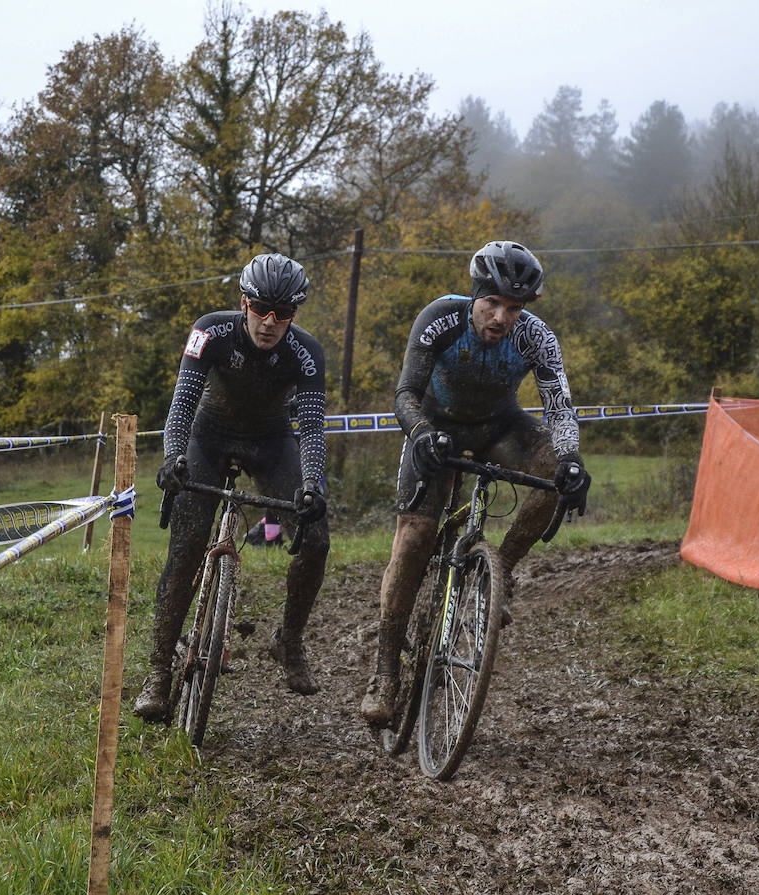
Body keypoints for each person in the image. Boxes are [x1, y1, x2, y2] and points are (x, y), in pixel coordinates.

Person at [359, 240, 590, 727]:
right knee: (415, 540)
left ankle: (499, 572)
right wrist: (420, 432)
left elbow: (560, 409)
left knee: (554, 465)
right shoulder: (440, 319)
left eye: (514, 308)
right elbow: (405, 393)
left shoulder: (535, 337)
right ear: (475, 295)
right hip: (436, 428)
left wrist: (571, 460)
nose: (502, 317)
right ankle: (384, 675)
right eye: (493, 303)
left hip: (499, 428)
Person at [135, 252, 330, 723]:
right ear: (244, 303)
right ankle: (159, 672)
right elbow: (181, 403)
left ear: (293, 315)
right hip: (209, 435)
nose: (269, 322)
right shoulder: (211, 331)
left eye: (282, 314)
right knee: (186, 546)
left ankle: (289, 639)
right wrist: (174, 457)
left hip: (272, 441)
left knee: (316, 539)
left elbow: (313, 429)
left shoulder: (307, 352)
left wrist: (311, 484)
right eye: (261, 309)